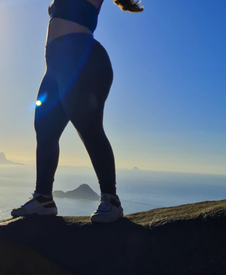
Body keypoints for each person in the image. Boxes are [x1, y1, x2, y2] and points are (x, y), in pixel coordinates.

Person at [11, 0, 143, 223]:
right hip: (55, 66)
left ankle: (111, 201)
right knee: (44, 130)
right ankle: (43, 198)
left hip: (81, 56)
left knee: (88, 127)